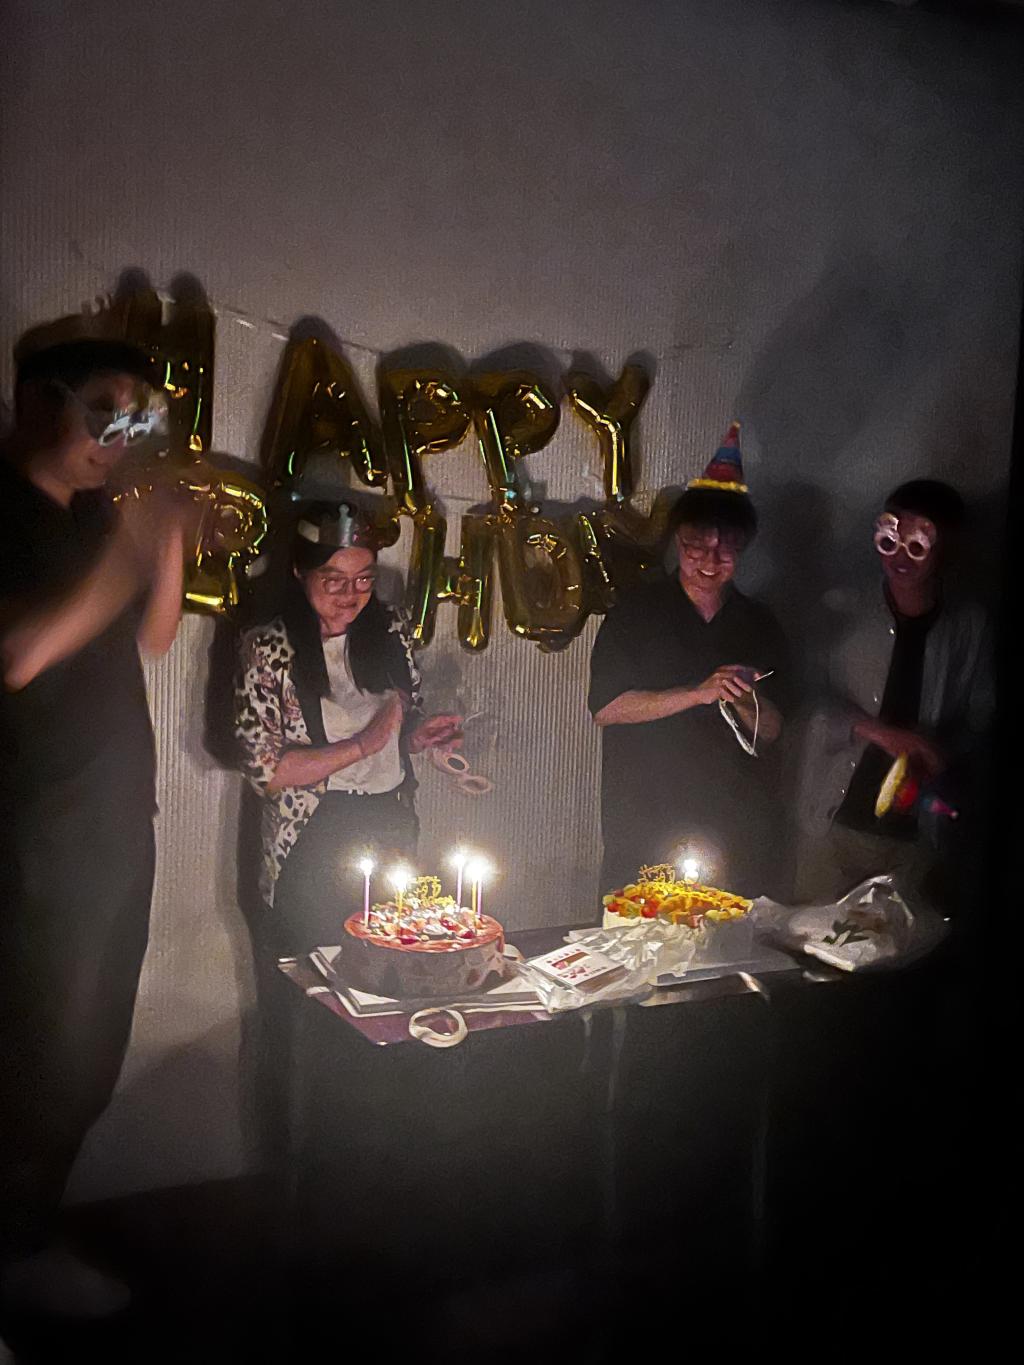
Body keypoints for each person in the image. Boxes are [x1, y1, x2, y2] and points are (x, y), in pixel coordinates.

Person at [0, 334, 193, 1321]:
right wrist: (128, 548)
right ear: (42, 400)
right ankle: (14, 1252)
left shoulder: (91, 519)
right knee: (39, 1051)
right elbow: (21, 651)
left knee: (87, 1050)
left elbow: (151, 636)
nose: (124, 435)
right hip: (37, 828)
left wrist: (167, 540)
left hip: (113, 815)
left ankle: (25, 1239)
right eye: (109, 409)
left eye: (141, 418)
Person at [234, 500, 462, 955]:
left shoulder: (390, 628)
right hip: (316, 830)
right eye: (333, 580)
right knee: (314, 963)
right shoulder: (269, 647)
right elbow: (265, 770)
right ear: (301, 571)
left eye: (363, 580)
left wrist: (417, 736)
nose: (350, 594)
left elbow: (402, 716)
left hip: (389, 818)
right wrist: (362, 746)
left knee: (391, 955)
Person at [588, 422, 792, 899]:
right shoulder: (636, 612)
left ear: (742, 548)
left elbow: (774, 728)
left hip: (732, 823)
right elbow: (607, 708)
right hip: (643, 816)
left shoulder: (759, 623)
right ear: (677, 540)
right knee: (636, 933)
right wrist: (697, 693)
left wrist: (741, 698)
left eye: (725, 550)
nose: (709, 561)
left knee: (721, 935)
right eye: (695, 546)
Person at [795, 479, 991, 907]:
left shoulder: (968, 626)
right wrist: (875, 731)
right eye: (891, 538)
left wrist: (938, 753)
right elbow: (804, 698)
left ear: (944, 547)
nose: (901, 555)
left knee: (901, 943)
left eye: (917, 544)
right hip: (834, 822)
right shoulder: (844, 610)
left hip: (917, 835)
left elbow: (979, 722)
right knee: (810, 936)